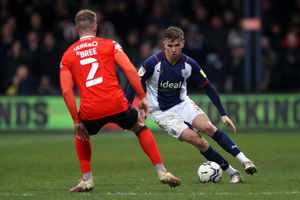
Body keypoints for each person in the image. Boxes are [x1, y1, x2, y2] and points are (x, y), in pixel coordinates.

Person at [59, 10, 180, 192]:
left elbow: (66, 90)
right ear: (96, 27)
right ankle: (162, 171)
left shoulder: (67, 55)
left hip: (90, 110)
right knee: (139, 127)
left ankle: (87, 179)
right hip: (116, 103)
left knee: (81, 134)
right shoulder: (110, 44)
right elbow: (130, 69)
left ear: (76, 29)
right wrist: (142, 97)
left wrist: (76, 121)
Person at [126, 26, 257, 183]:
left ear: (183, 44)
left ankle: (245, 160)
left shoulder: (190, 64)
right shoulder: (152, 63)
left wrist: (223, 113)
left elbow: (208, 87)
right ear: (164, 45)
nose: (173, 50)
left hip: (183, 103)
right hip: (162, 113)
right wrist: (128, 111)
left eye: (177, 45)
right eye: (170, 46)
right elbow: (133, 82)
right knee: (197, 140)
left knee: (208, 127)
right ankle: (233, 173)